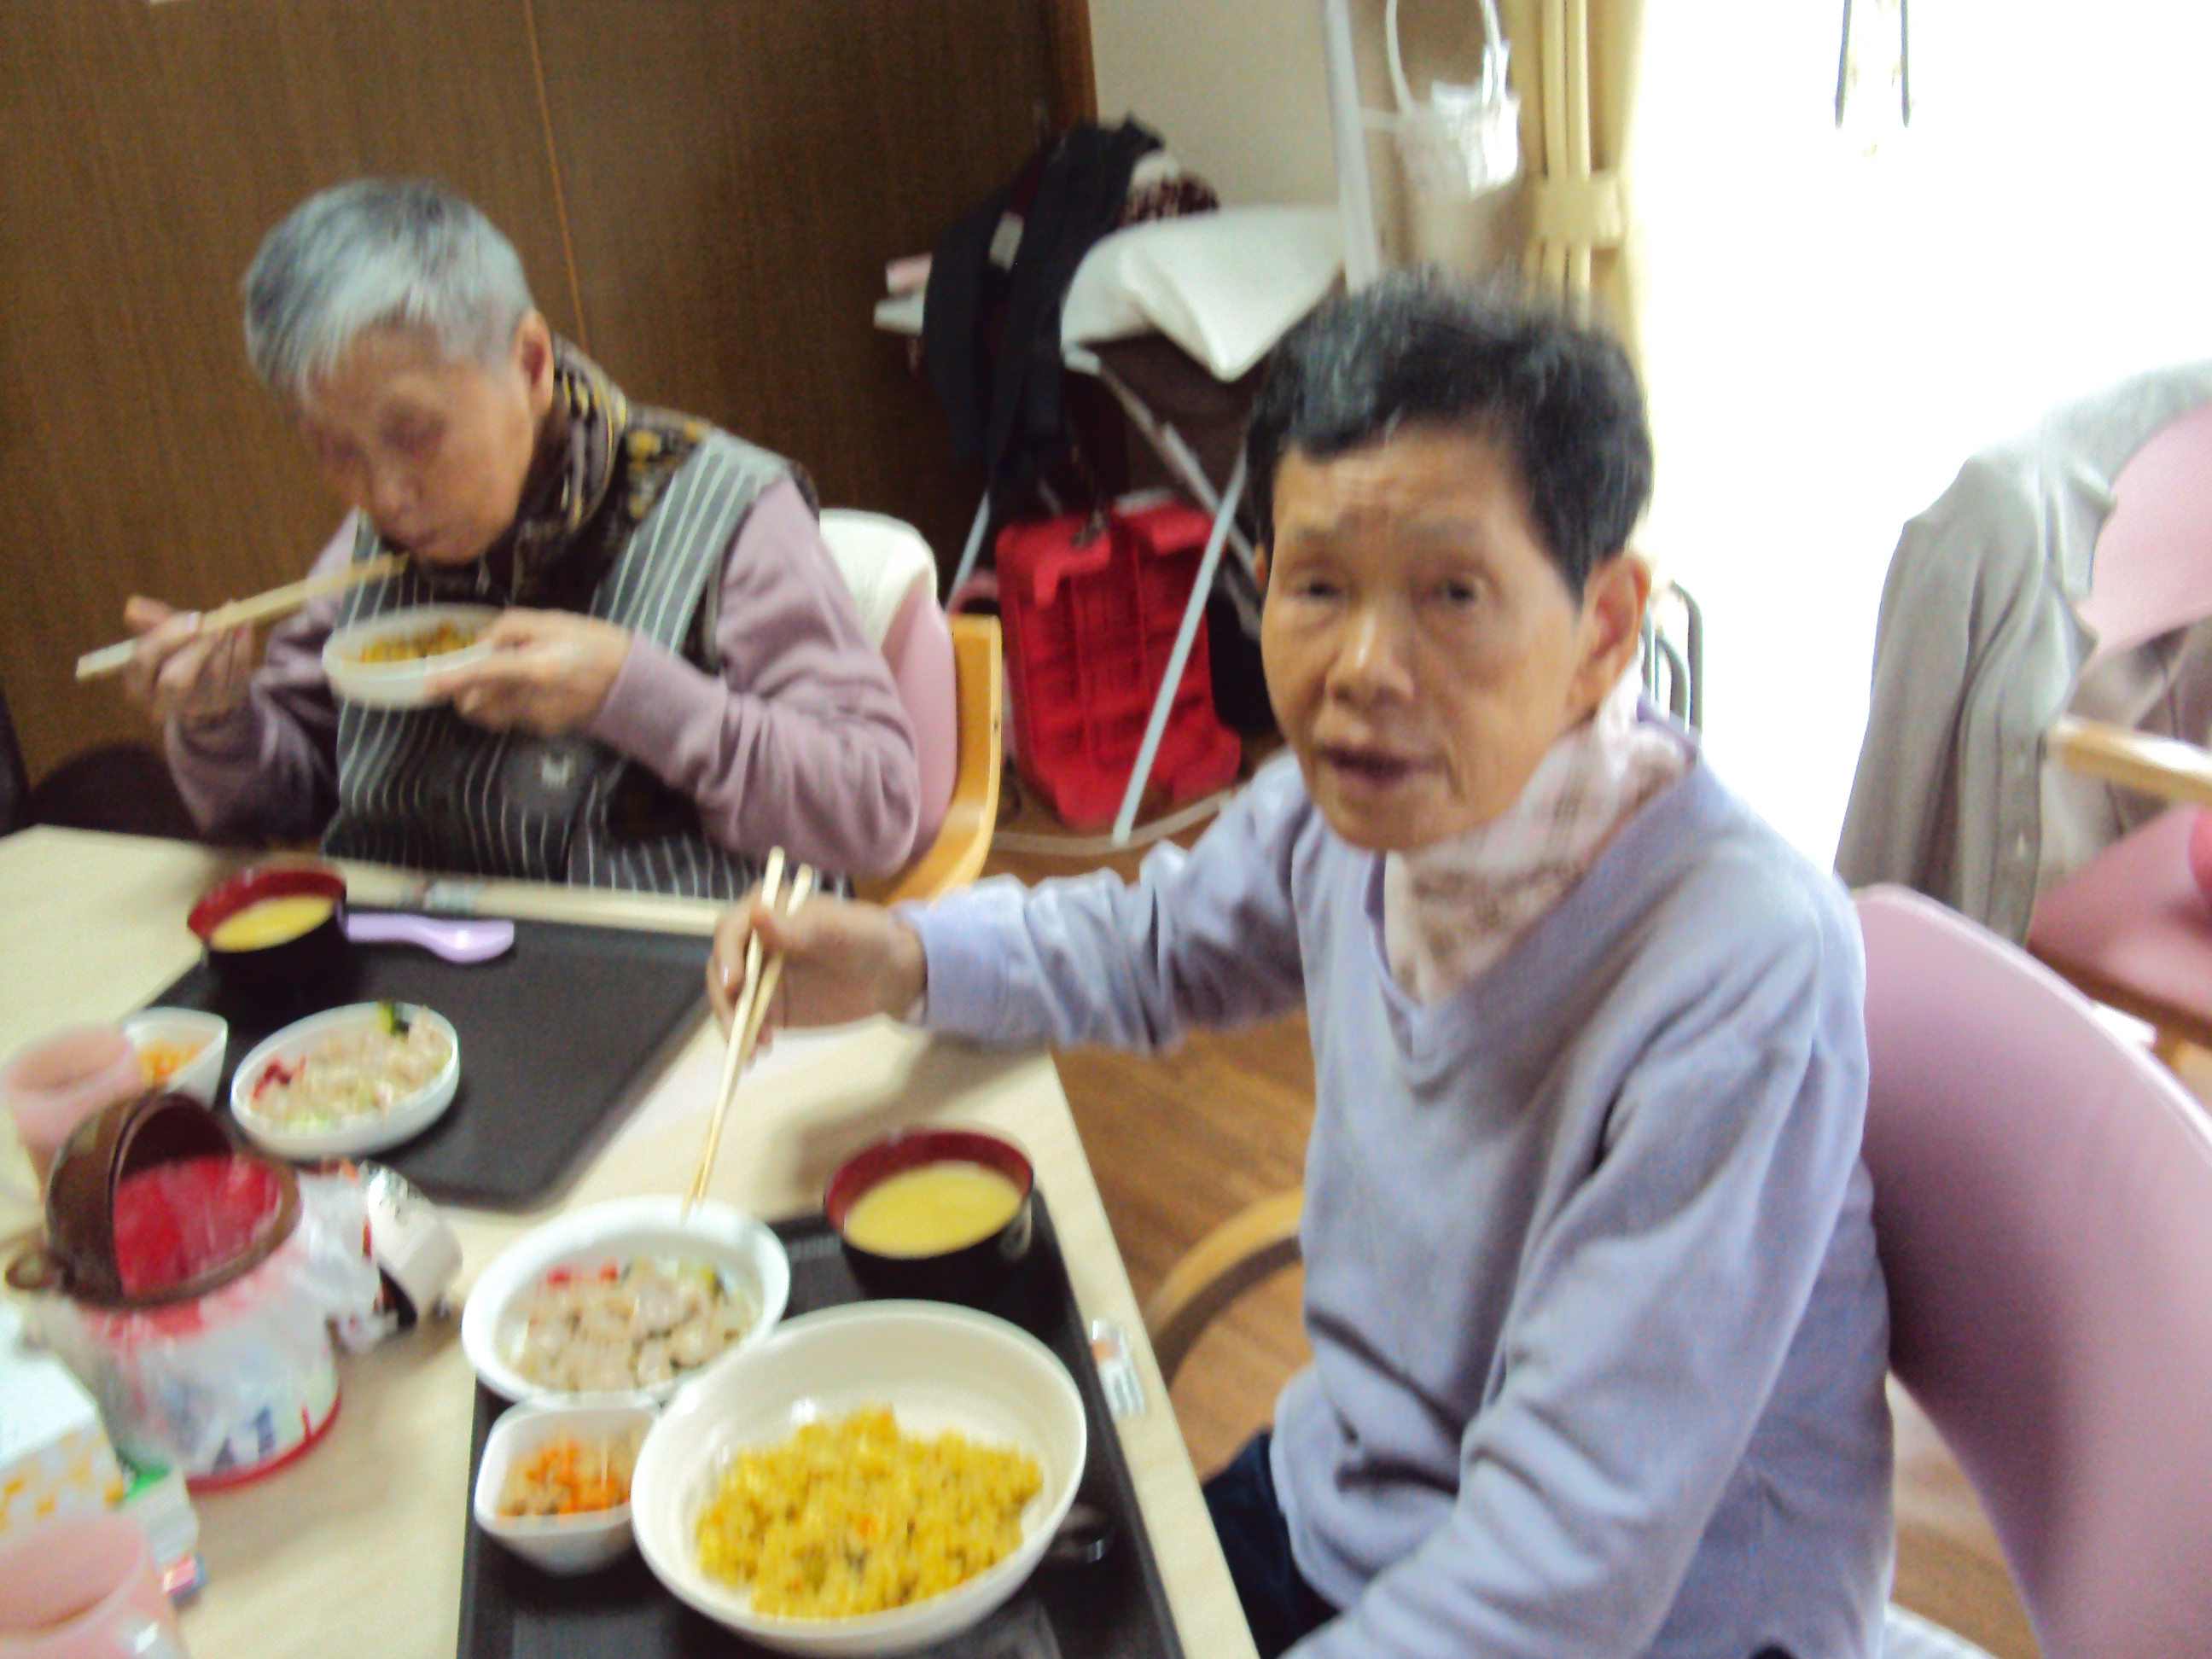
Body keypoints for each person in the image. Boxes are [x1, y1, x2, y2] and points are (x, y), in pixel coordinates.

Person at [707, 275, 1890, 1658]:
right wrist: (899, 956)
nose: (1364, 669)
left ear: (1605, 629)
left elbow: (1566, 1567)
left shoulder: (1740, 970)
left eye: (1453, 593)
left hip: (1664, 1620)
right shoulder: (1353, 814)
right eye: (1319, 585)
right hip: (1353, 1505)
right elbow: (1149, 944)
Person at [122, 178, 921, 897]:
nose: (384, 495)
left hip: (671, 980)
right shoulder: (371, 550)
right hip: (409, 977)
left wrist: (628, 691)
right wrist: (218, 720)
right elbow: (287, 800)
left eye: (414, 433)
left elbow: (875, 811)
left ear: (532, 364)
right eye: (334, 451)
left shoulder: (726, 512)